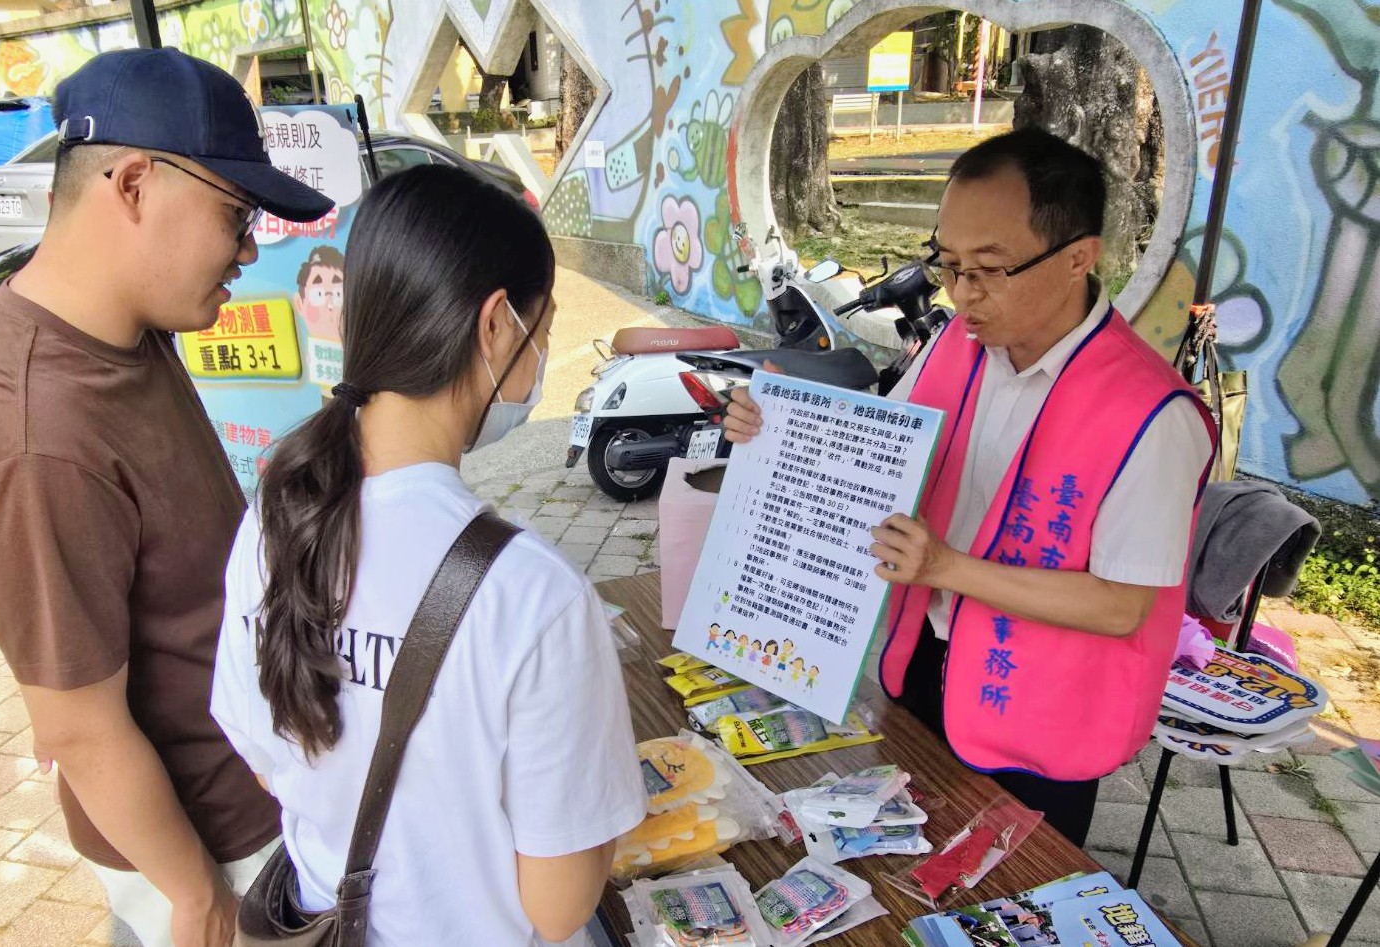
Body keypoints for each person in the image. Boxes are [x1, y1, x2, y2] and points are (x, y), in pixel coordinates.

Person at [726, 128, 1215, 846]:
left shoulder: (1153, 414)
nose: (961, 294)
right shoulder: (958, 343)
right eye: (947, 264)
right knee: (901, 862)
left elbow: (1121, 605)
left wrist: (946, 567)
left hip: (1043, 719)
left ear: (1079, 256)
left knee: (1006, 892)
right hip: (923, 660)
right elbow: (879, 452)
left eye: (988, 269)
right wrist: (773, 428)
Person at [210, 162, 646, 946]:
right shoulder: (533, 597)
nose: (540, 358)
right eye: (540, 331)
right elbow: (558, 906)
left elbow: (264, 758)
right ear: (494, 326)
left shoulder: (273, 521)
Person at [0, 49, 333, 947]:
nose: (247, 250)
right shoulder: (36, 435)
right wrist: (195, 894)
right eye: (234, 215)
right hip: (210, 847)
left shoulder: (123, 327)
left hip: (258, 789)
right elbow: (79, 728)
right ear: (131, 185)